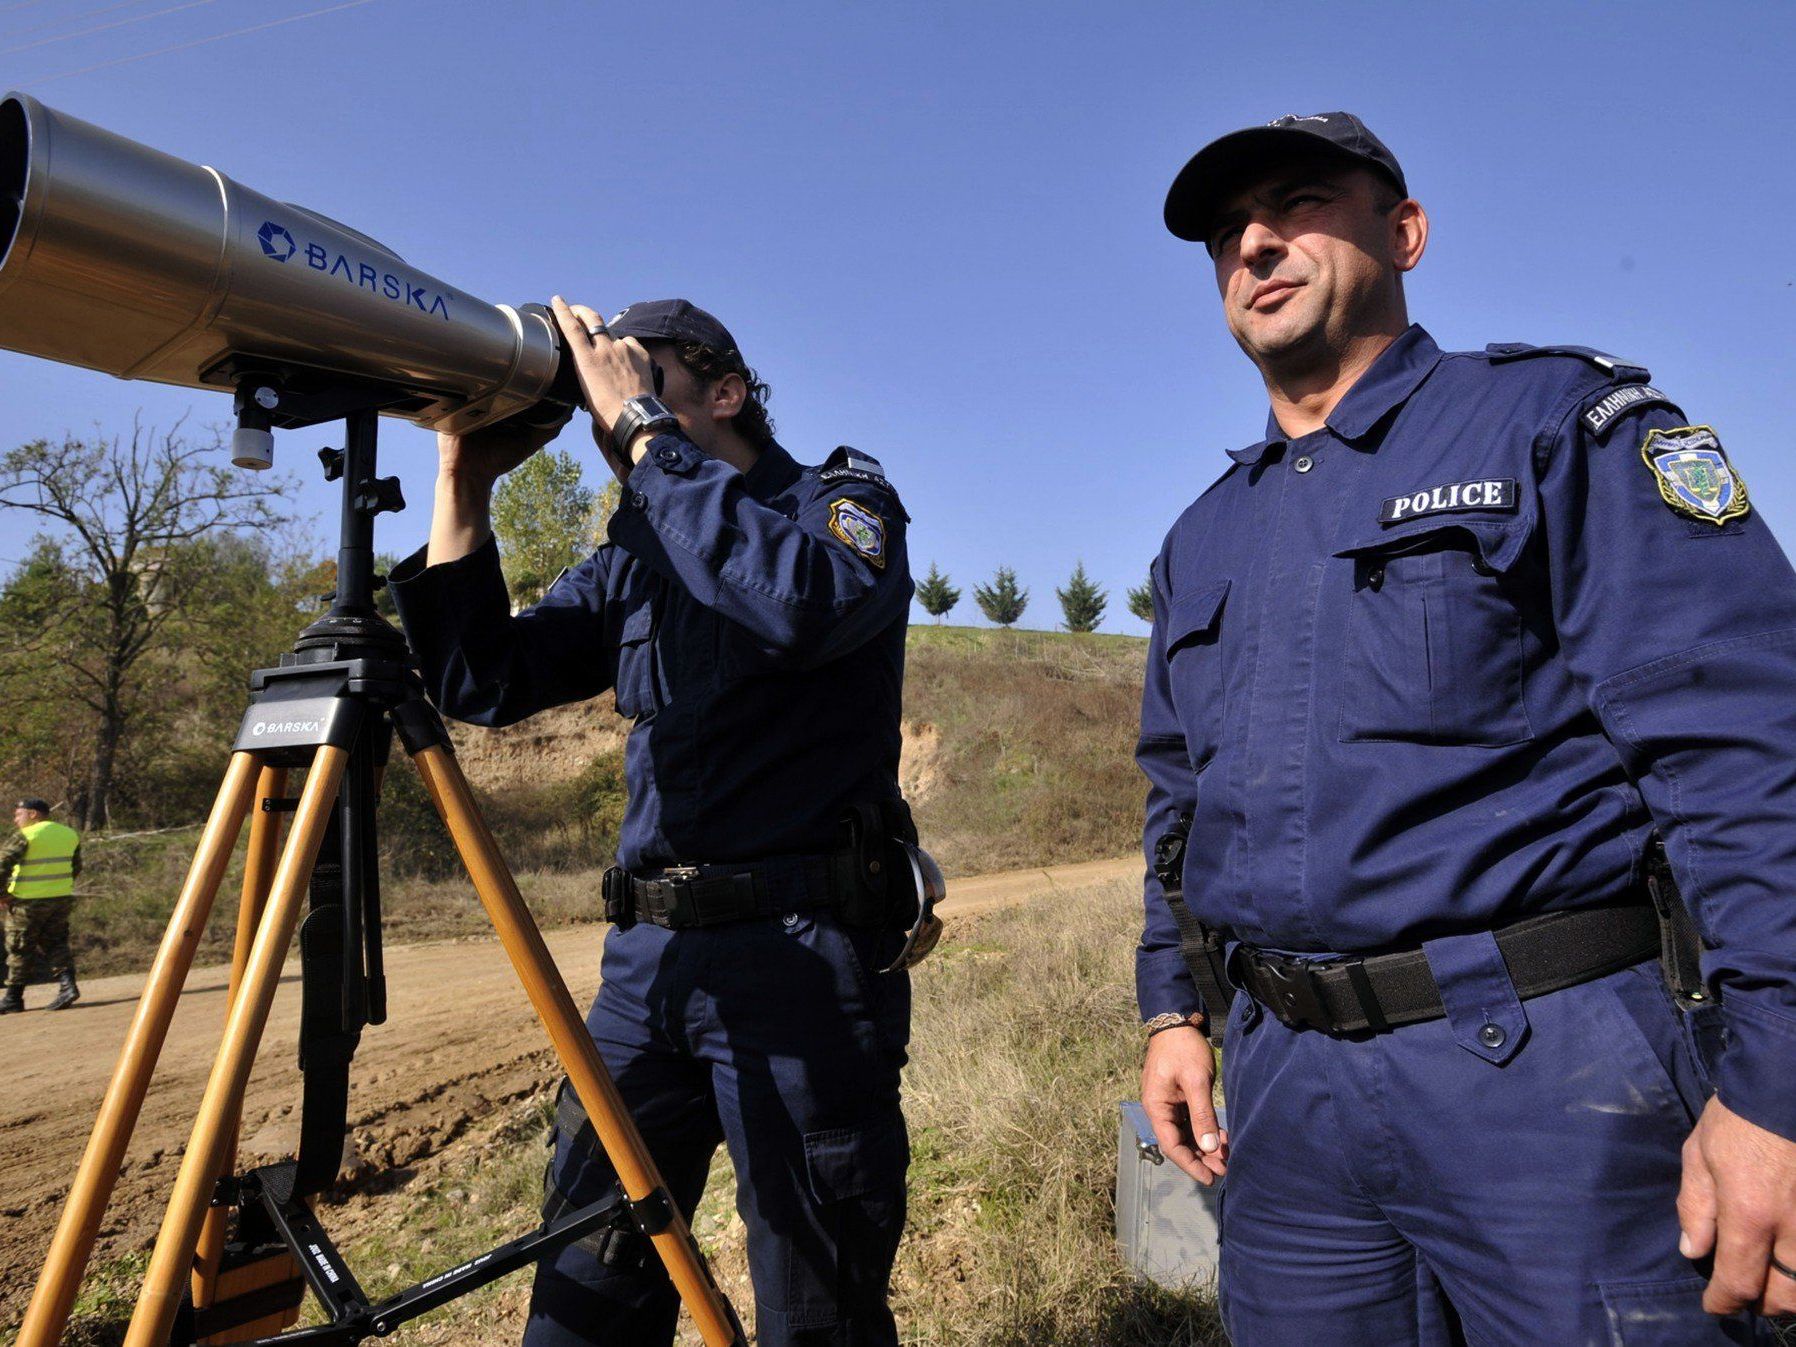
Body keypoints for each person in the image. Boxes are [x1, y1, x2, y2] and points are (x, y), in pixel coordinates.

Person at [1135, 110, 1796, 1343]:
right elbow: (1178, 807)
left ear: (1404, 232)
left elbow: (1743, 747)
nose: (1255, 245)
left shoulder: (1549, 425)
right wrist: (1172, 1011)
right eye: (1227, 232)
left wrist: (1776, 1086)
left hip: (1550, 1078)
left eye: (1297, 204)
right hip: (1284, 1095)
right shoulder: (1201, 536)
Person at [389, 297, 918, 1347]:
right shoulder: (638, 552)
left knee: (816, 1309)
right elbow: (482, 678)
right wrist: (464, 478)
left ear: (724, 392)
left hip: (800, 962)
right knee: (586, 1287)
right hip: (648, 968)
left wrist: (642, 436)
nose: (610, 395)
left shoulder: (837, 504)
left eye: (641, 372)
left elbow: (799, 604)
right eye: (605, 375)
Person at [1, 797, 82, 1013]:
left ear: (33, 814)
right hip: (60, 899)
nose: (16, 820)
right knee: (56, 943)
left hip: (27, 902)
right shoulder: (68, 834)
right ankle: (68, 986)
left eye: (19, 814)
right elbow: (76, 867)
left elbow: (2, 865)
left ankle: (13, 998)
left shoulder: (26, 835)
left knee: (19, 947)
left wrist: (3, 895)